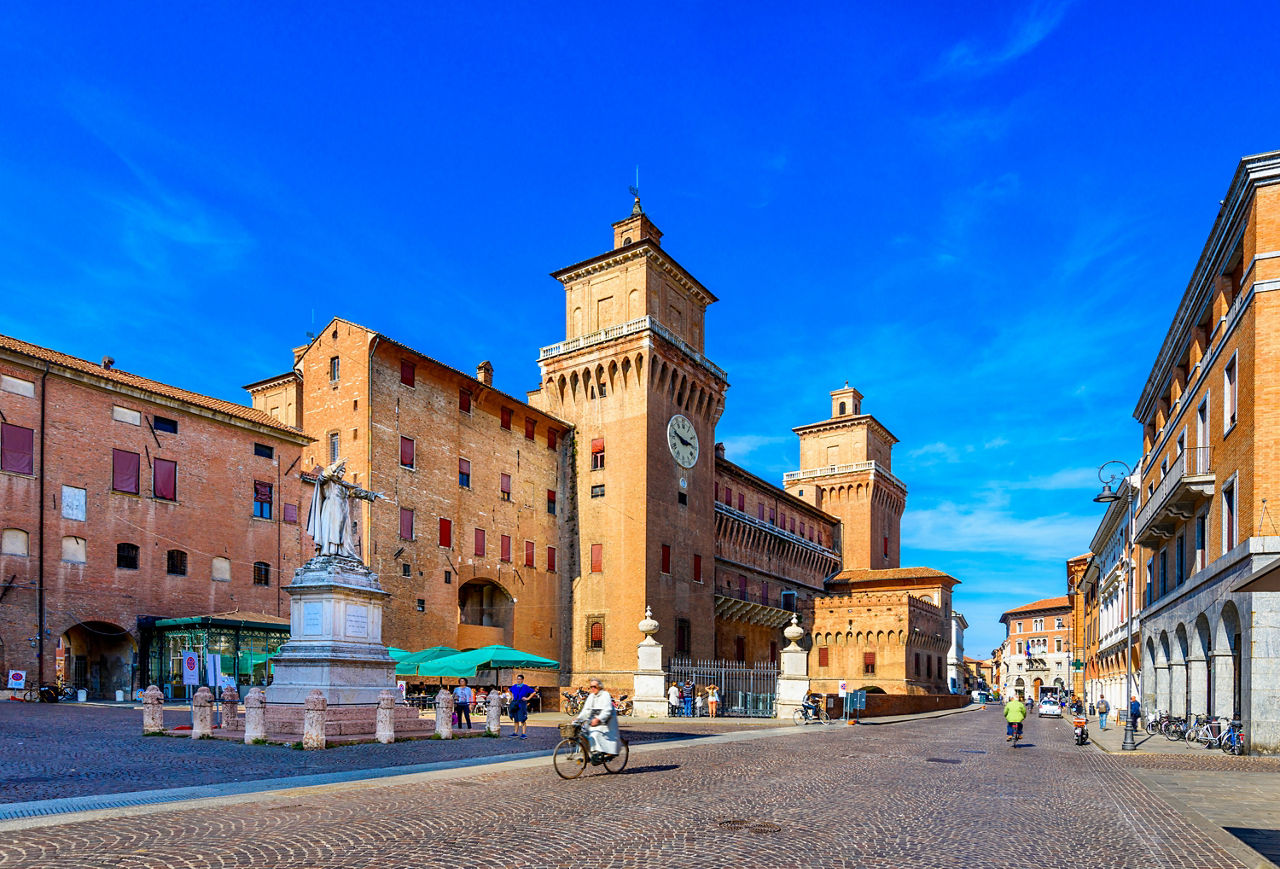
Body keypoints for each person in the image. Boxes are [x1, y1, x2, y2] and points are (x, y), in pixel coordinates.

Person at [573, 678, 620, 761]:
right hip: (594, 721)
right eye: (591, 687)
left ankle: (599, 754)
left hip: (606, 721)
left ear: (600, 687)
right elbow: (586, 710)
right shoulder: (591, 697)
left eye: (594, 686)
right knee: (583, 734)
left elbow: (607, 710)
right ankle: (587, 755)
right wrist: (578, 718)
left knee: (595, 735)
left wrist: (598, 719)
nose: (592, 688)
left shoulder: (605, 695)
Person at [508, 673, 535, 740]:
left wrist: (527, 698)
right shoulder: (514, 686)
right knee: (516, 718)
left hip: (522, 704)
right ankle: (515, 732)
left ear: (522, 680)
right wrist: (512, 696)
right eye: (517, 679)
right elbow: (509, 690)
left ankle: (523, 733)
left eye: (520, 679)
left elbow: (533, 692)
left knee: (522, 719)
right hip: (515, 704)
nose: (518, 680)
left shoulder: (525, 687)